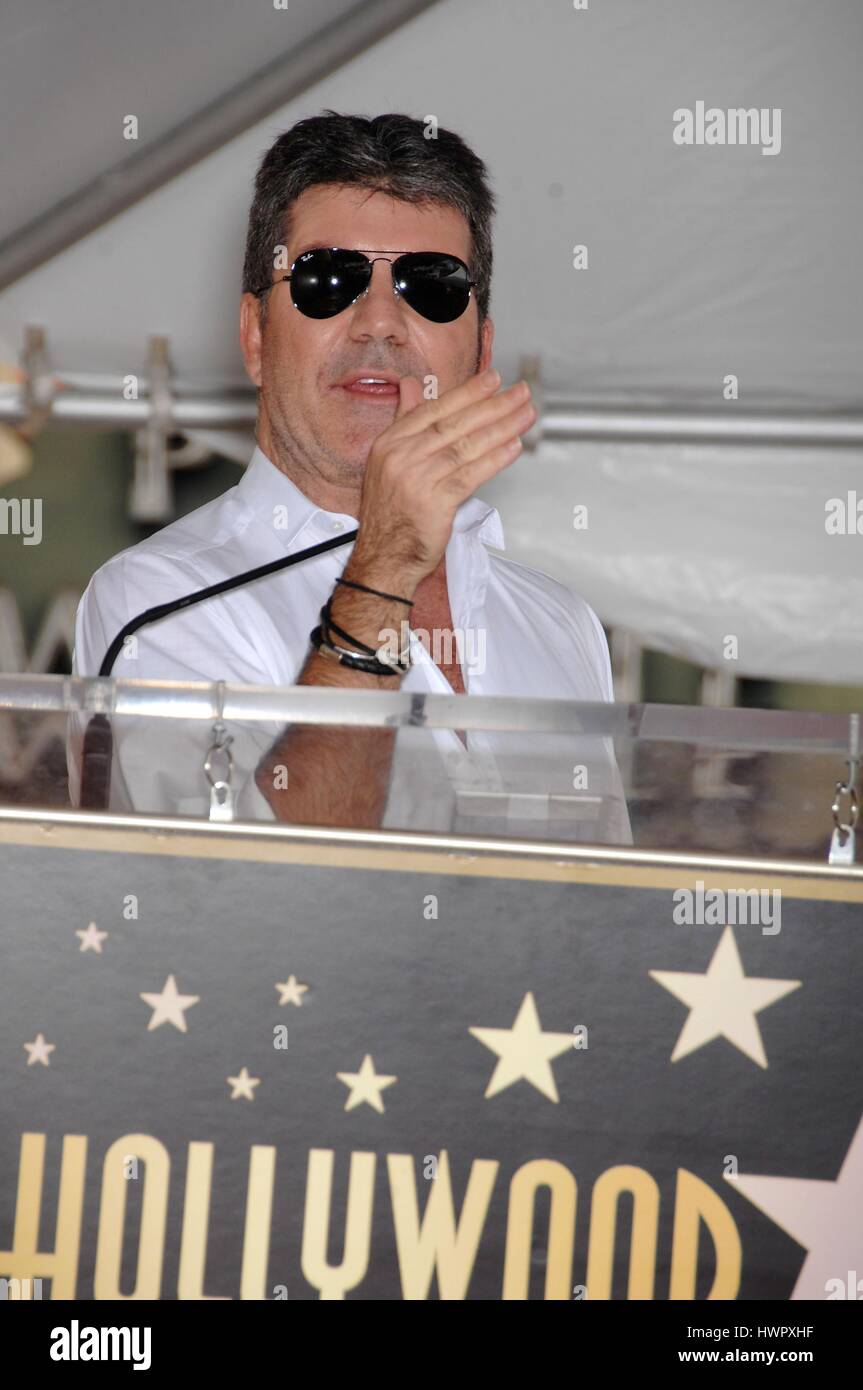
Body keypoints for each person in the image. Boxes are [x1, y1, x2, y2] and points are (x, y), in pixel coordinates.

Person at [68, 111, 629, 841]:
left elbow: (609, 909)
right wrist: (386, 565)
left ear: (482, 349)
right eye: (327, 280)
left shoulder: (561, 622)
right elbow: (240, 902)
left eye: (430, 286)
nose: (379, 323)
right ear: (256, 338)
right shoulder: (159, 603)